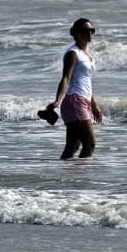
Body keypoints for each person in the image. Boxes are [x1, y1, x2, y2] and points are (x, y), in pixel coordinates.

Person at [38, 18, 103, 159]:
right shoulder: (73, 53)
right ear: (76, 33)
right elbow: (66, 78)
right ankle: (83, 172)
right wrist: (57, 100)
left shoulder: (88, 56)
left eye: (92, 30)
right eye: (85, 30)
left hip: (82, 101)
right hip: (75, 101)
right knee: (89, 144)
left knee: (72, 147)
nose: (89, 33)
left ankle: (67, 172)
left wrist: (94, 106)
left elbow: (87, 82)